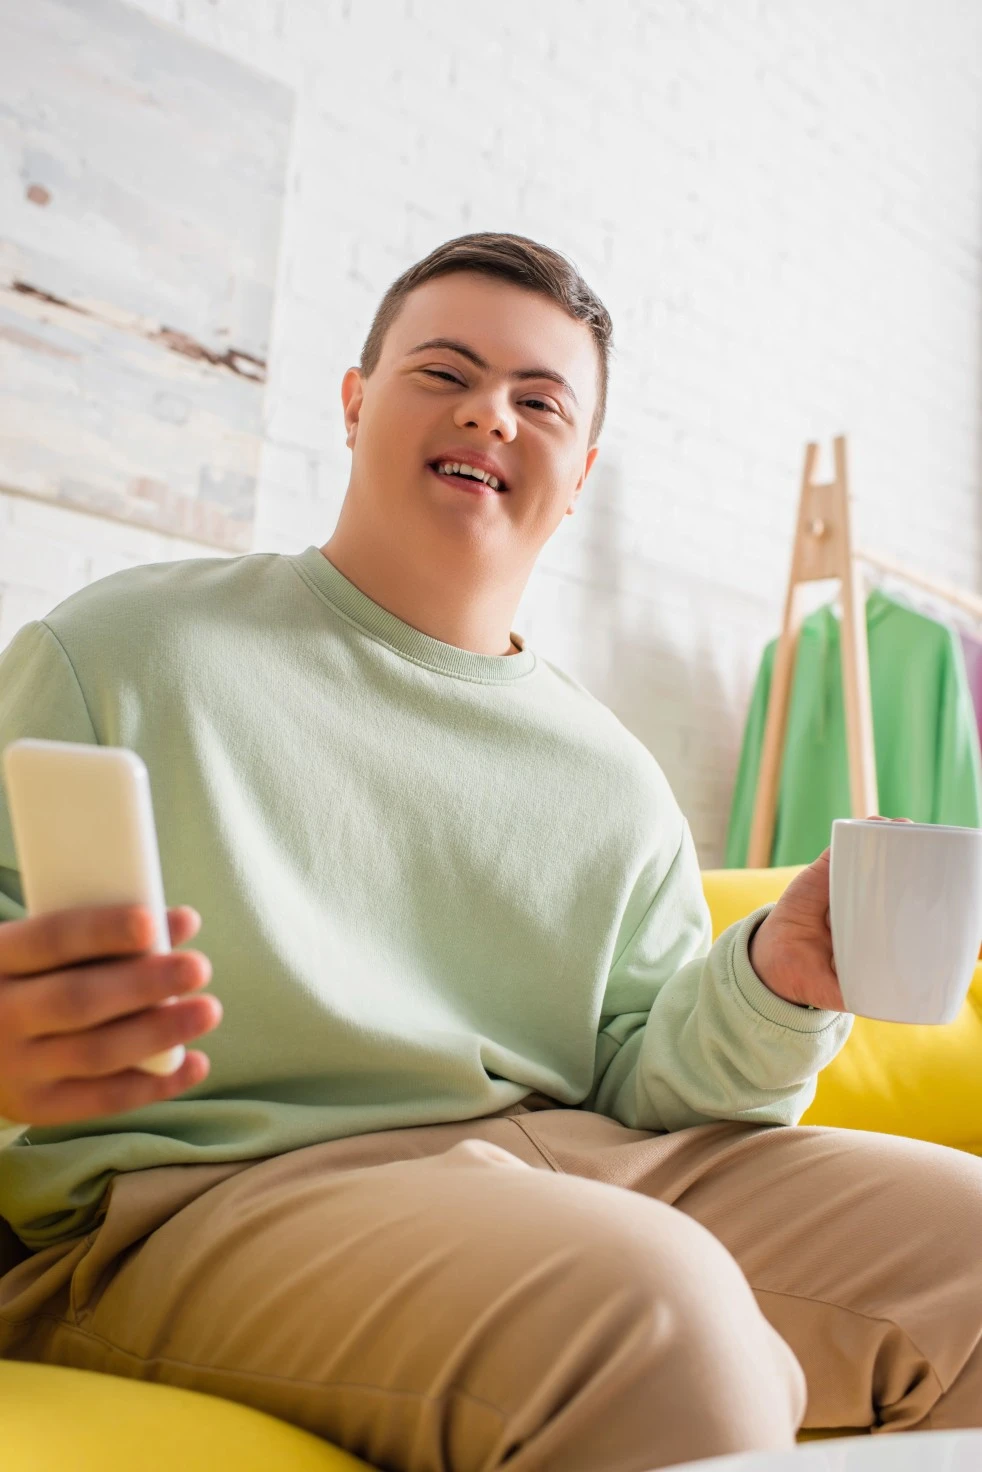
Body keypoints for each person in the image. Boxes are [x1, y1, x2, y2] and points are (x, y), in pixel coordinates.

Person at [0, 231, 980, 1472]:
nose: (490, 415)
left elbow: (652, 1090)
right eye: (444, 372)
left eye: (540, 400)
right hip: (203, 1199)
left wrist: (774, 982)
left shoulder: (612, 774)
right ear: (354, 404)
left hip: (572, 1166)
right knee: (653, 1309)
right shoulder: (123, 649)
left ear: (579, 477)